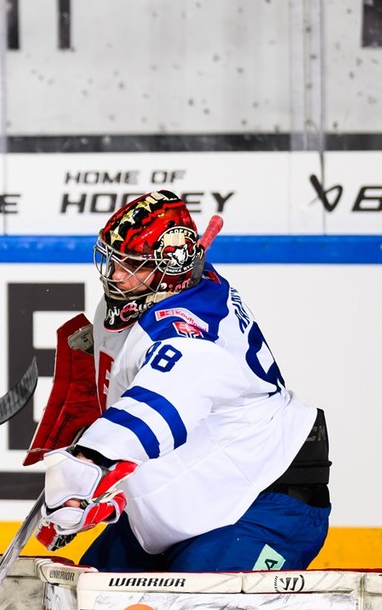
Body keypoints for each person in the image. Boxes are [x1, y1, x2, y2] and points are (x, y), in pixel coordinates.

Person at [36, 190, 331, 573]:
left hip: (259, 501)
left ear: (172, 271)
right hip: (187, 503)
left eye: (133, 266)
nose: (116, 276)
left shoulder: (188, 334)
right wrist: (91, 484)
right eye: (113, 261)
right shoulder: (151, 295)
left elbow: (160, 405)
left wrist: (87, 463)